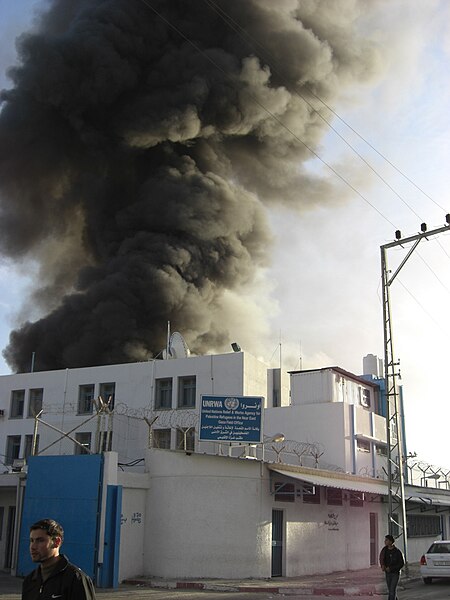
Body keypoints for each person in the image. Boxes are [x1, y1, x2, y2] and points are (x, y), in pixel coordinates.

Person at [22, 518, 97, 600]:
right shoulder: (30, 581)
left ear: (56, 542)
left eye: (40, 540)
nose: (33, 547)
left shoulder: (75, 579)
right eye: (32, 541)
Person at [379, 534, 405, 600]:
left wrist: (391, 568)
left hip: (395, 573)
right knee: (391, 590)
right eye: (385, 540)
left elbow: (401, 563)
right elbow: (381, 558)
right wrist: (383, 565)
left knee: (392, 590)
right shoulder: (384, 550)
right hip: (387, 573)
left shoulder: (397, 552)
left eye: (386, 540)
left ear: (391, 541)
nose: (385, 541)